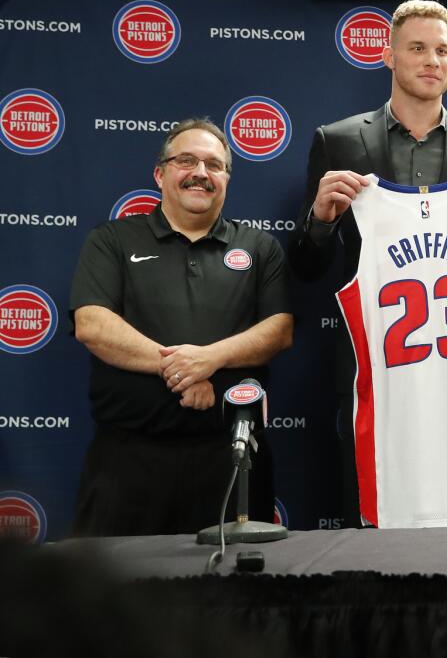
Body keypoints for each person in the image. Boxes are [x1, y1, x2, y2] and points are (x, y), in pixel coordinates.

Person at [288, 0, 447, 526]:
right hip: (380, 361)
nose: (432, 61)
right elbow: (307, 268)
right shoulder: (339, 141)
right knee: (375, 512)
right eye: (417, 48)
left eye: (442, 50)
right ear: (388, 56)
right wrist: (322, 220)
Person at [70, 119, 293, 536]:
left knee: (238, 598)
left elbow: (279, 330)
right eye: (185, 161)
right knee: (120, 596)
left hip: (231, 458)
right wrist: (179, 369)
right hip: (130, 459)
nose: (201, 173)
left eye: (214, 165)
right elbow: (93, 325)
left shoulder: (259, 248)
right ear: (160, 173)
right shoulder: (112, 240)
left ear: (227, 177)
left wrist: (208, 359)